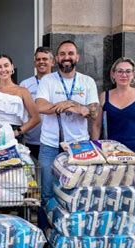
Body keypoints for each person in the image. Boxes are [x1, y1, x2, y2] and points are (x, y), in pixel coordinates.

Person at [36, 40, 99, 228]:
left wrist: (72, 103)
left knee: (77, 191)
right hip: (49, 146)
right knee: (46, 192)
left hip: (78, 147)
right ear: (57, 58)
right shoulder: (48, 80)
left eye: (70, 53)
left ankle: (72, 233)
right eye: (62, 54)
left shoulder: (87, 82)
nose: (66, 57)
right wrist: (64, 106)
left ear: (77, 57)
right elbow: (40, 106)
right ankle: (46, 235)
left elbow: (94, 111)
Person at [91, 57, 135, 166]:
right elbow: (96, 126)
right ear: (113, 74)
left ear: (133, 74)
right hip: (110, 156)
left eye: (128, 71)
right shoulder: (104, 97)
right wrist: (94, 151)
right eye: (120, 71)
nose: (124, 75)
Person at [0, 54, 40, 143]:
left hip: (15, 136)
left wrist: (17, 132)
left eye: (6, 65)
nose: (3, 69)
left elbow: (36, 118)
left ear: (12, 67)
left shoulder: (23, 91)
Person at [20, 47, 55, 158]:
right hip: (32, 140)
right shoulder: (25, 84)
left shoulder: (59, 83)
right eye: (38, 59)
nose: (41, 62)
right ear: (35, 63)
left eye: (45, 59)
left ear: (52, 62)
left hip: (54, 140)